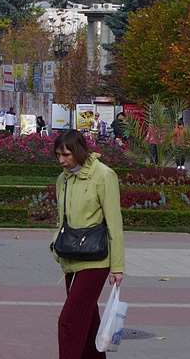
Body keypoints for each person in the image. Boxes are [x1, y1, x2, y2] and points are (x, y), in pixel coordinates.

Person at [51, 129, 124, 359]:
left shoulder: (103, 175)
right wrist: (56, 245)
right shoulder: (63, 178)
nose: (62, 160)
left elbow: (114, 222)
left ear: (79, 151)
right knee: (88, 323)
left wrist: (117, 266)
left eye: (66, 155)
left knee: (69, 322)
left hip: (96, 260)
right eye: (58, 155)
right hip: (71, 258)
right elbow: (61, 219)